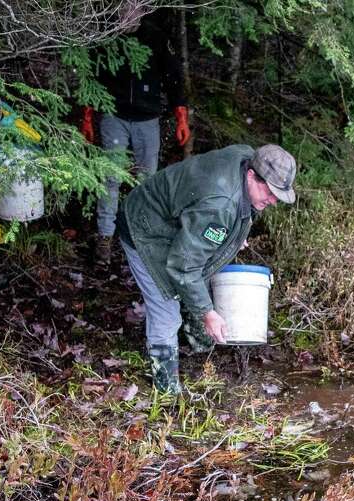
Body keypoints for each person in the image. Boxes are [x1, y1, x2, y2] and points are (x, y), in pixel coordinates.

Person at [116, 143, 296, 392]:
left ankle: (195, 341)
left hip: (175, 216)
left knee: (198, 271)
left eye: (278, 195)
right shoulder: (219, 206)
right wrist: (207, 313)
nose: (273, 201)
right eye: (270, 192)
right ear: (252, 175)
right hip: (144, 227)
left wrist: (235, 232)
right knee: (167, 312)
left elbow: (229, 210)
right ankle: (166, 389)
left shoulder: (246, 157)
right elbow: (183, 267)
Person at [81, 20, 189, 266]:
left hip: (147, 118)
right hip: (113, 114)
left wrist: (182, 117)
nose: (130, 9)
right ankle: (105, 238)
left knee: (147, 181)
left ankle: (143, 239)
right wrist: (87, 118)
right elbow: (91, 75)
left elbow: (174, 78)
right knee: (111, 176)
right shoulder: (108, 34)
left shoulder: (156, 37)